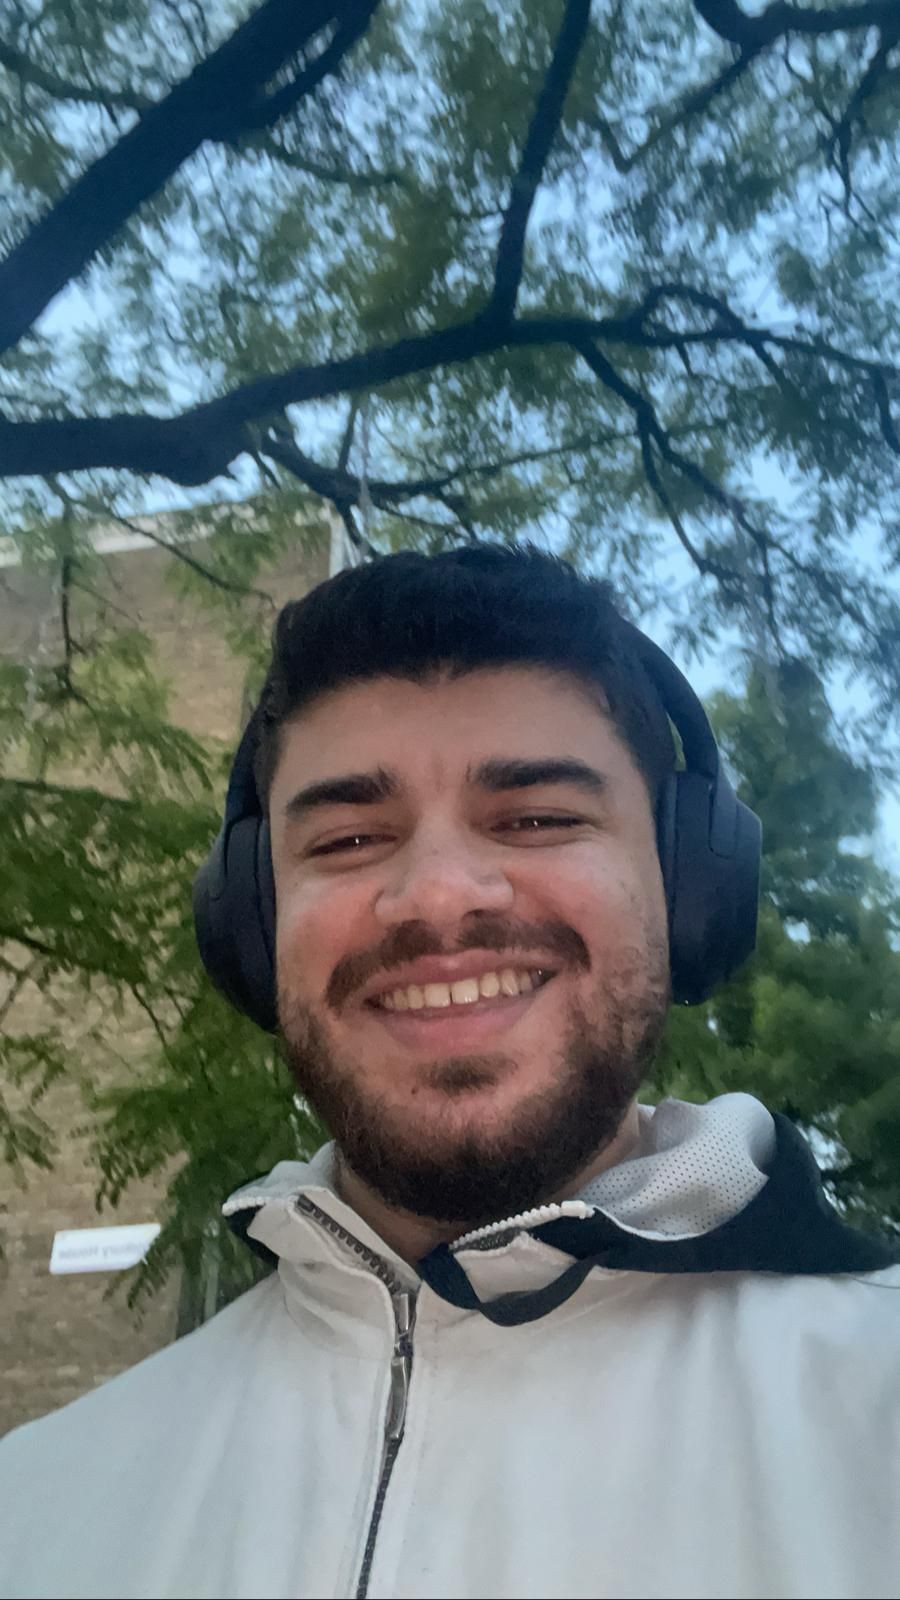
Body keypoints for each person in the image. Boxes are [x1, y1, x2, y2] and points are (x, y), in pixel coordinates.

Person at [1, 542, 898, 1600]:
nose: (436, 896)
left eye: (536, 817)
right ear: (251, 924)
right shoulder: (37, 1505)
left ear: (688, 886)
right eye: (346, 837)